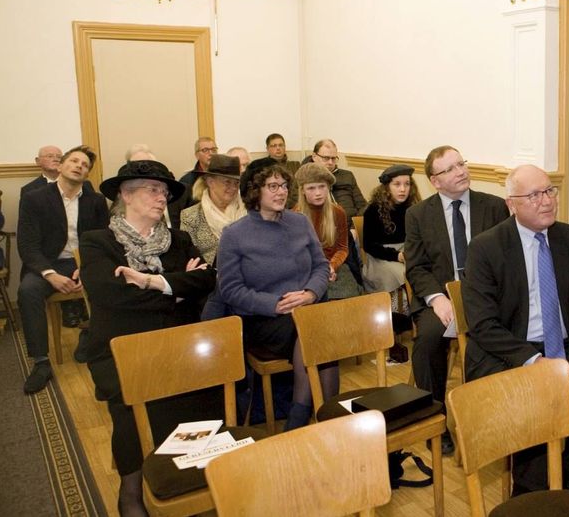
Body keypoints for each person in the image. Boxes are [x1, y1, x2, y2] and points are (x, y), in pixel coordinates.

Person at [463, 164, 569, 494]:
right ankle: (530, 495)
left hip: (562, 345)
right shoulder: (486, 247)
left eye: (550, 191)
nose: (547, 201)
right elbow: (482, 325)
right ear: (511, 204)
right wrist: (536, 364)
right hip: (511, 351)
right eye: (534, 195)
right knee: (536, 407)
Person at [79, 160, 216, 517]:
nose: (162, 197)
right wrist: (177, 289)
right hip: (121, 348)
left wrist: (151, 281)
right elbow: (109, 295)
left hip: (179, 344)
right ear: (125, 194)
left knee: (208, 385)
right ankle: (132, 488)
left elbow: (207, 280)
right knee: (132, 401)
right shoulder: (98, 243)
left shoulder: (179, 240)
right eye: (153, 190)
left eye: (165, 192)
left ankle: (191, 477)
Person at [212, 160, 334, 430]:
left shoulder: (299, 222)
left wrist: (310, 293)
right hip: (261, 318)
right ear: (255, 191)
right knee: (314, 332)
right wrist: (275, 305)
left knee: (316, 329)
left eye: (283, 185)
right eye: (272, 186)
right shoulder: (234, 234)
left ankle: (311, 422)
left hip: (305, 309)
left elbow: (321, 266)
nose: (281, 192)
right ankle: (307, 424)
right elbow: (231, 290)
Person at [404, 145, 508, 454]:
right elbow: (417, 266)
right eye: (449, 169)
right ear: (434, 181)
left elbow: (507, 259)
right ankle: (434, 418)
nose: (460, 171)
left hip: (486, 297)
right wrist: (437, 298)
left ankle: (492, 418)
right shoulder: (418, 214)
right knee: (429, 341)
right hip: (443, 296)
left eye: (461, 164)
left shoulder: (494, 206)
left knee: (500, 336)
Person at [17, 146, 109, 393]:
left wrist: (85, 267)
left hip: (82, 261)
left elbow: (102, 241)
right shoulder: (34, 198)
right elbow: (27, 245)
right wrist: (50, 274)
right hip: (47, 263)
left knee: (112, 282)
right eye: (74, 161)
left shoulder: (96, 200)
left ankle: (90, 336)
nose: (79, 166)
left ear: (88, 174)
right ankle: (41, 362)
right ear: (60, 166)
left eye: (85, 165)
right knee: (28, 291)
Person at [292, 162, 360, 300]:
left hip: (334, 265)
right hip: (308, 270)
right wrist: (320, 272)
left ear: (328, 187)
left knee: (350, 296)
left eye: (322, 186)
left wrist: (332, 266)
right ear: (302, 191)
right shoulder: (295, 216)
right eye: (311, 188)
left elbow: (342, 248)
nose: (318, 193)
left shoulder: (338, 212)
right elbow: (295, 255)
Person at [362, 163, 420, 294]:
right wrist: (397, 256)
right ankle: (399, 310)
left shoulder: (414, 208)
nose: (403, 189)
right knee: (402, 274)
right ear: (387, 187)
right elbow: (369, 245)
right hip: (381, 258)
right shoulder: (373, 210)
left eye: (407, 184)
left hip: (408, 252)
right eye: (397, 184)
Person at [179, 154, 244, 265]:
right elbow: (189, 258)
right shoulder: (190, 216)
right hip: (209, 278)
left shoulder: (250, 211)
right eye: (227, 182)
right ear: (210, 182)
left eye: (236, 183)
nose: (233, 188)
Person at [309, 138, 367, 217]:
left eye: (333, 158)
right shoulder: (305, 178)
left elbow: (362, 205)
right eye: (326, 158)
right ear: (314, 156)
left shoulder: (347, 176)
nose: (330, 162)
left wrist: (356, 226)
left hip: (350, 224)